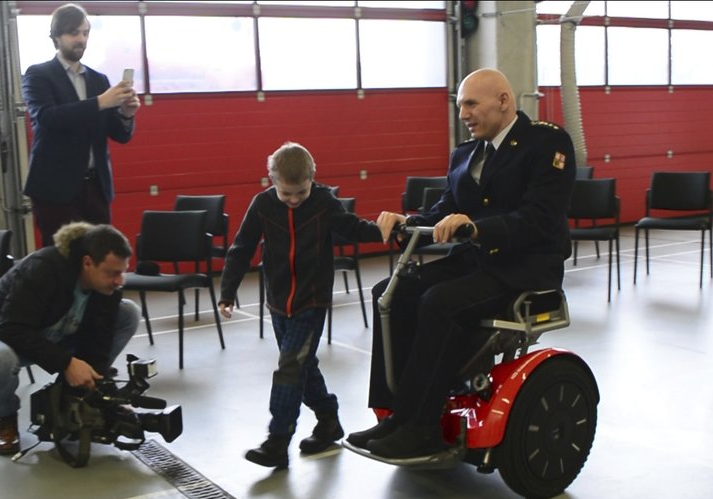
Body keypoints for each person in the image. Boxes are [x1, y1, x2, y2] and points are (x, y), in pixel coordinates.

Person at [346, 68, 576, 459]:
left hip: (523, 269)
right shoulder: (465, 154)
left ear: (503, 101)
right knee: (390, 292)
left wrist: (476, 228)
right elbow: (446, 210)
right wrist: (408, 223)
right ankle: (395, 415)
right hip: (473, 264)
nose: (463, 114)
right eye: (459, 106)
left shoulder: (546, 142)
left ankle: (422, 428)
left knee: (440, 301)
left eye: (470, 104)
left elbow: (538, 217)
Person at [218, 142, 385, 469]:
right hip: (278, 302)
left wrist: (386, 230)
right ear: (271, 181)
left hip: (311, 301)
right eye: (286, 194)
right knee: (302, 366)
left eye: (301, 193)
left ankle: (277, 441)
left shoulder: (323, 202)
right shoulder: (263, 205)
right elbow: (242, 248)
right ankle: (328, 420)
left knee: (290, 367)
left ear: (313, 179)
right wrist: (227, 291)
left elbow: (352, 227)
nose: (293, 200)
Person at [0, 222, 141, 455]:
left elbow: (99, 343)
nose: (120, 280)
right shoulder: (43, 268)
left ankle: (73, 397)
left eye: (123, 271)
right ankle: (5, 417)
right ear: (87, 263)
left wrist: (91, 381)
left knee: (129, 312)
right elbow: (11, 327)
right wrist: (66, 363)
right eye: (113, 273)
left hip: (51, 335)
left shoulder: (107, 287)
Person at [22, 3, 141, 246]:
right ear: (56, 36)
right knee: (62, 260)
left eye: (85, 33)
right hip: (56, 189)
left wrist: (127, 114)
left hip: (96, 187)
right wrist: (100, 102)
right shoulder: (37, 75)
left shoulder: (98, 80)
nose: (81, 39)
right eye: (74, 33)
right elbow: (48, 117)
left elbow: (119, 134)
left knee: (100, 257)